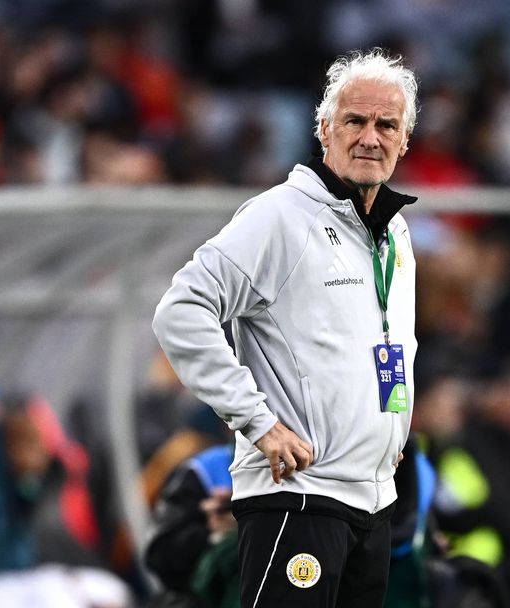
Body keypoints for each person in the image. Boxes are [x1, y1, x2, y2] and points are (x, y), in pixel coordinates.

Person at [152, 48, 420, 608]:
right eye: (355, 121)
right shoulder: (280, 216)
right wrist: (258, 422)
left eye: (386, 125)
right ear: (324, 130)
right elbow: (181, 310)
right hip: (298, 498)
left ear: (404, 140)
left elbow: (391, 345)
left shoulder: (394, 234)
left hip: (372, 500)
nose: (370, 138)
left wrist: (391, 431)